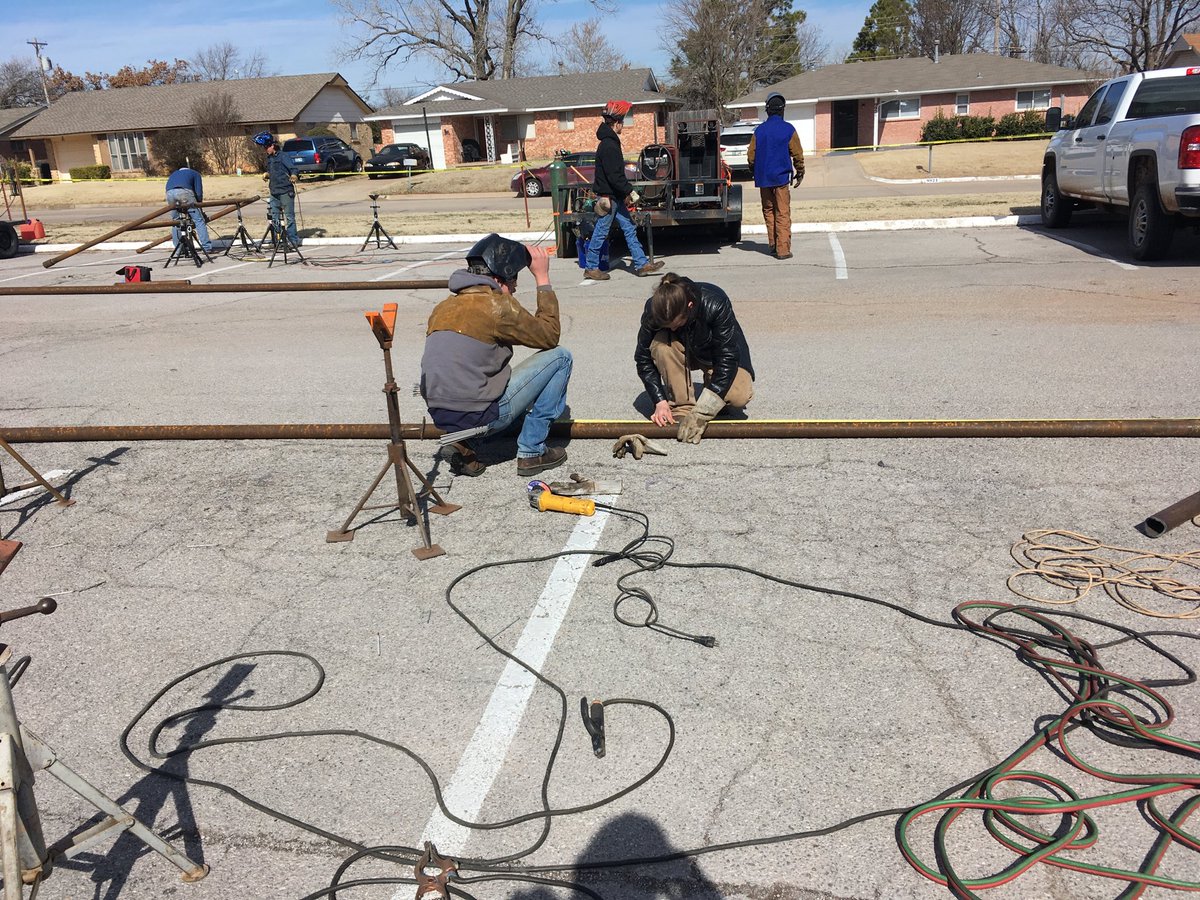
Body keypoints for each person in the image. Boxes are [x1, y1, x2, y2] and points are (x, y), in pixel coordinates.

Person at [420, 234, 573, 476]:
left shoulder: (443, 308)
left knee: (479, 385)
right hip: (481, 415)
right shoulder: (497, 305)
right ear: (501, 277)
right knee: (560, 357)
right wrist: (542, 279)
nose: (514, 287)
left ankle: (467, 443)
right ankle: (532, 451)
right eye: (513, 281)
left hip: (443, 416)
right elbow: (549, 337)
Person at [634, 273, 754, 444]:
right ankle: (681, 406)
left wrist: (704, 411)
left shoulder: (715, 301)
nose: (673, 328)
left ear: (690, 306)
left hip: (714, 354)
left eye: (676, 324)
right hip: (679, 352)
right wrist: (659, 401)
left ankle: (710, 390)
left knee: (738, 396)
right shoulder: (654, 310)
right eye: (667, 326)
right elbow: (643, 357)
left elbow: (728, 355)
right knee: (661, 345)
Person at [583, 100, 664, 282]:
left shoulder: (609, 143)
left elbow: (614, 176)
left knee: (629, 228)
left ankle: (641, 264)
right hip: (608, 199)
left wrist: (625, 193)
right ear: (616, 123)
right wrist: (630, 191)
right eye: (622, 123)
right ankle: (591, 267)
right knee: (601, 232)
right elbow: (615, 176)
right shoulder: (609, 145)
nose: (623, 127)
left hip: (614, 198)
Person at [747, 92, 805, 260]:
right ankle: (783, 250)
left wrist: (754, 169)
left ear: (767, 110)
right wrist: (800, 171)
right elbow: (797, 154)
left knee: (769, 211)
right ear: (782, 110)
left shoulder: (759, 131)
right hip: (781, 179)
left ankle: (772, 245)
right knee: (782, 212)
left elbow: (751, 156)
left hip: (764, 179)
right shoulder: (788, 129)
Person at [255, 133, 301, 248]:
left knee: (289, 217)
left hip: (285, 191)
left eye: (267, 147)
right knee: (274, 218)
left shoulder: (283, 156)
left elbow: (293, 168)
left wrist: (294, 175)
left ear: (272, 146)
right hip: (274, 192)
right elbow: (274, 172)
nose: (266, 150)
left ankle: (293, 240)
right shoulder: (269, 159)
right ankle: (279, 240)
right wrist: (267, 174)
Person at [164, 166, 213, 253]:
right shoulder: (195, 173)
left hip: (169, 193)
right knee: (199, 220)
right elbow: (198, 192)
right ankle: (206, 247)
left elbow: (168, 186)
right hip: (184, 192)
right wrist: (199, 204)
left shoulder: (174, 173)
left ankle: (178, 250)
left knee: (176, 221)